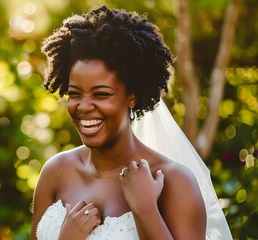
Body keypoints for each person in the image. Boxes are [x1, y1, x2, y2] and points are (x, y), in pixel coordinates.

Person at [31, 5, 232, 240]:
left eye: (101, 94)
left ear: (132, 97)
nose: (83, 106)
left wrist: (145, 208)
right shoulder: (56, 172)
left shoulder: (174, 181)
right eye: (75, 94)